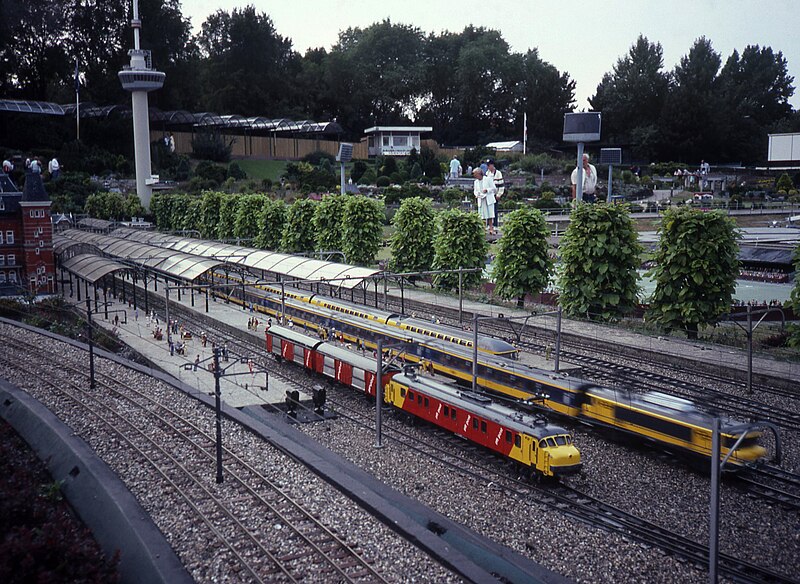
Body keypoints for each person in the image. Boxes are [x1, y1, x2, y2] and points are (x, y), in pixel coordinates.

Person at [473, 167, 497, 234]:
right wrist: (477, 194)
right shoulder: (476, 182)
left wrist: (487, 190)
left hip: (488, 199)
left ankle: (491, 229)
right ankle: (483, 229)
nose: (474, 176)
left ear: (479, 173)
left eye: (475, 174)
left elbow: (494, 189)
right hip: (481, 199)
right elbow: (475, 190)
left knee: (490, 215)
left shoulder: (488, 179)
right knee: (482, 215)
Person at [485, 158, 504, 227]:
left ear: (492, 165)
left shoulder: (498, 173)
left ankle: (495, 225)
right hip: (488, 195)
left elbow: (501, 185)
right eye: (488, 165)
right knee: (488, 210)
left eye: (489, 165)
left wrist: (499, 194)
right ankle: (488, 225)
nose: (488, 167)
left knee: (494, 210)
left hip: (495, 195)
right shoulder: (487, 173)